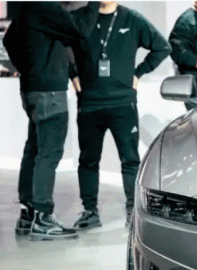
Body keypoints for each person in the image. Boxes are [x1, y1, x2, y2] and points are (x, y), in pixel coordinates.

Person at [69, 1, 171, 229]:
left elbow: (162, 47)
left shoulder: (132, 19)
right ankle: (89, 211)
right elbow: (61, 45)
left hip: (122, 103)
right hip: (89, 103)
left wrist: (139, 73)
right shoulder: (80, 17)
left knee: (130, 159)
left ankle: (133, 210)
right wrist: (72, 75)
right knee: (88, 160)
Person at [3, 2, 98, 241]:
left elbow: (8, 40)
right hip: (50, 92)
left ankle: (28, 214)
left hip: (32, 88)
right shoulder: (46, 6)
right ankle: (43, 217)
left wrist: (28, 68)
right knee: (48, 153)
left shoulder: (27, 8)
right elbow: (80, 29)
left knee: (34, 150)